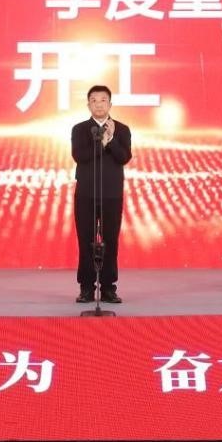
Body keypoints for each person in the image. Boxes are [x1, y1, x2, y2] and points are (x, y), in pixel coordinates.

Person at [71, 85, 132, 304]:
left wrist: (112, 141)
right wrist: (101, 143)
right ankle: (86, 288)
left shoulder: (122, 129)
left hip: (112, 194)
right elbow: (80, 156)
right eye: (94, 100)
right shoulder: (80, 129)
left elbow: (124, 157)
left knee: (110, 242)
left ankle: (108, 288)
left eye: (103, 100)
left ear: (110, 104)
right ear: (88, 105)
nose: (99, 104)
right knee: (86, 241)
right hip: (86, 194)